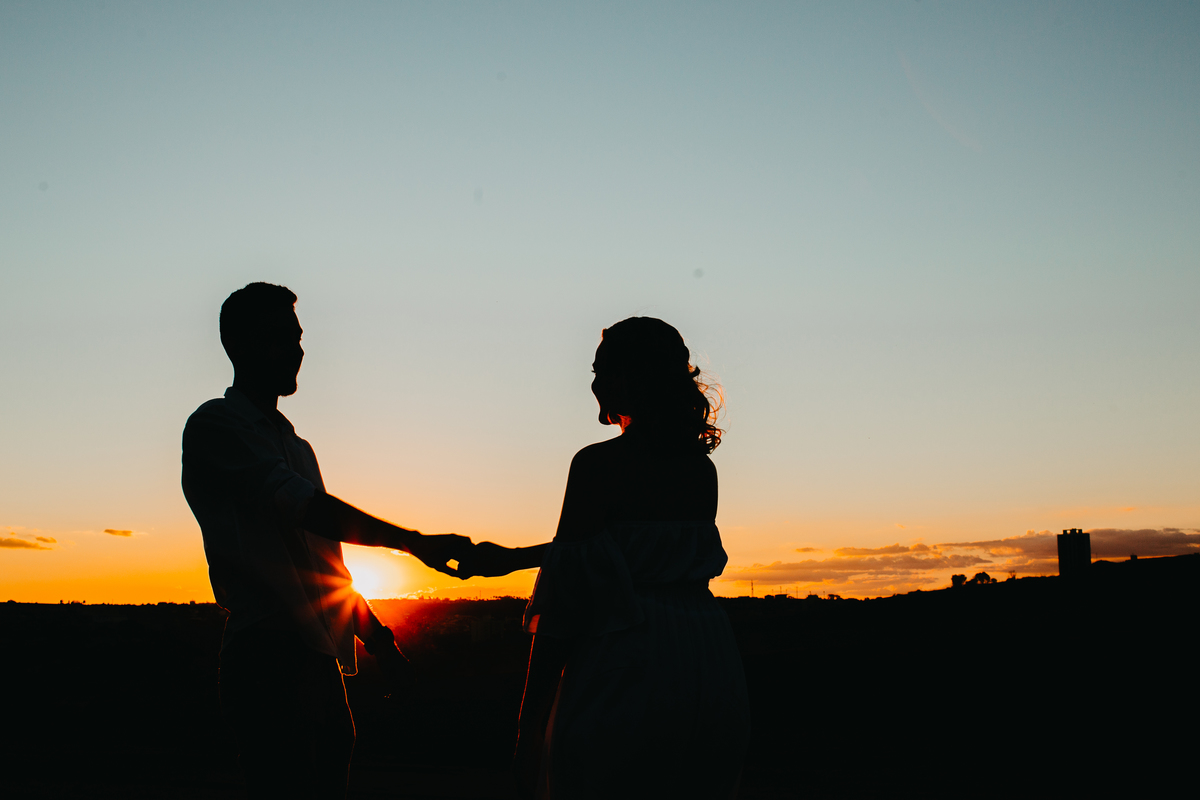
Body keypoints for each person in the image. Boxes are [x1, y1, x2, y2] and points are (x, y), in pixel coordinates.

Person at [182, 282, 472, 799]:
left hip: (316, 662)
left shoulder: (297, 446)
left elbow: (325, 575)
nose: (296, 349)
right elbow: (305, 509)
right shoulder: (216, 426)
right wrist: (413, 542)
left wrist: (382, 644)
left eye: (297, 337)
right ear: (239, 344)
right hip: (265, 655)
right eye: (279, 337)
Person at [458, 316, 751, 800]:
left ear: (631, 378)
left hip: (628, 660)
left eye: (599, 370)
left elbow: (567, 594)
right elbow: (623, 551)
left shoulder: (597, 465)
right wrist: (511, 559)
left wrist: (528, 733)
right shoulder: (700, 472)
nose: (592, 383)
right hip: (707, 660)